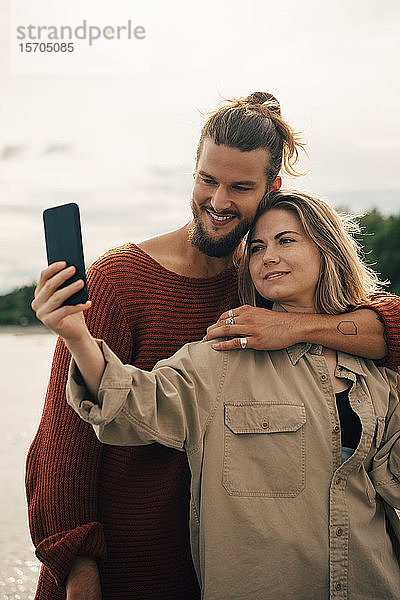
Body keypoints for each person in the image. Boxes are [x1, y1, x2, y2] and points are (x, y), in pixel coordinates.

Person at [26, 93, 400, 600]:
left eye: (241, 187)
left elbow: (389, 323)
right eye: (208, 180)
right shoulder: (121, 279)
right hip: (127, 557)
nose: (219, 201)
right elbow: (64, 440)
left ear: (272, 189)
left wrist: (292, 328)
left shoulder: (268, 282)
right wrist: (76, 562)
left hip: (235, 557)